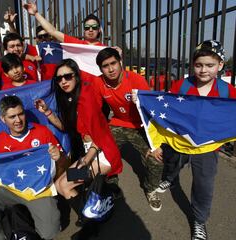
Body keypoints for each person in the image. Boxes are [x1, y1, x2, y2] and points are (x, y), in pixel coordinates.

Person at [154, 40, 236, 240]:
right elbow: (165, 108)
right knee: (173, 162)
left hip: (207, 148)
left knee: (203, 184)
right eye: (198, 65)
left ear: (220, 65)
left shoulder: (227, 92)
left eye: (210, 65)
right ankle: (169, 179)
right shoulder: (182, 85)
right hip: (181, 141)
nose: (203, 70)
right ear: (192, 65)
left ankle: (199, 220)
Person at [35, 59, 123, 222]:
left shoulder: (87, 99)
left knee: (64, 185)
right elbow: (65, 127)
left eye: (68, 76)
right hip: (91, 152)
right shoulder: (70, 100)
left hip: (102, 154)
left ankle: (91, 218)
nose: (63, 81)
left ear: (76, 76)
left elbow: (100, 138)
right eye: (59, 79)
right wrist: (47, 111)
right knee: (60, 185)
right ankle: (91, 213)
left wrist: (85, 160)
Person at [0, 95, 64, 240]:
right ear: (2, 119)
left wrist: (60, 158)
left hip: (38, 189)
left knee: (50, 232)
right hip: (9, 189)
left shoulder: (42, 132)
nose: (18, 120)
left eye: (20, 114)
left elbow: (63, 166)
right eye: (12, 117)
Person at [92, 47, 164, 211]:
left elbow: (151, 112)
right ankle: (112, 186)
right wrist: (92, 135)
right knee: (104, 155)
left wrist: (155, 142)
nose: (110, 69)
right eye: (105, 66)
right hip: (117, 123)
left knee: (156, 160)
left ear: (120, 62)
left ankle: (150, 189)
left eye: (113, 63)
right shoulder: (98, 82)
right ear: (100, 69)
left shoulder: (137, 80)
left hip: (142, 126)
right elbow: (94, 110)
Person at [24, 2, 103, 46]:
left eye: (94, 27)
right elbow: (53, 32)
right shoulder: (77, 44)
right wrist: (36, 14)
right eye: (87, 27)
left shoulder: (106, 50)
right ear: (84, 30)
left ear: (99, 30)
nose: (91, 30)